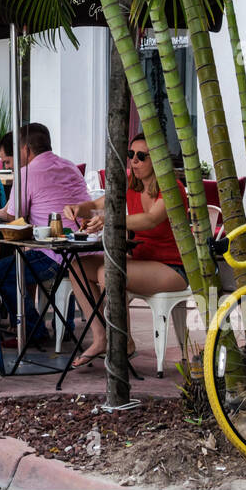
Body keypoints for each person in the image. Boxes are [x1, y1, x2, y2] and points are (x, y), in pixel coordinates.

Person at [62, 133, 189, 368]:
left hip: (174, 267)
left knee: (106, 272)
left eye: (142, 156)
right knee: (77, 267)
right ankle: (101, 338)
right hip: (140, 260)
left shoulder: (172, 189)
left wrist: (110, 220)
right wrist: (78, 208)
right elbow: (97, 206)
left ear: (158, 159)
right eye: (131, 155)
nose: (134, 161)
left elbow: (150, 220)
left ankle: (125, 342)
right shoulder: (131, 183)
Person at [0, 122, 89, 345]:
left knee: (2, 272)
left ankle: (33, 330)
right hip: (84, 248)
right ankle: (64, 326)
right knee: (36, 261)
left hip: (56, 254)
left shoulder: (27, 173)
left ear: (25, 149)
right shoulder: (69, 166)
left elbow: (12, 215)